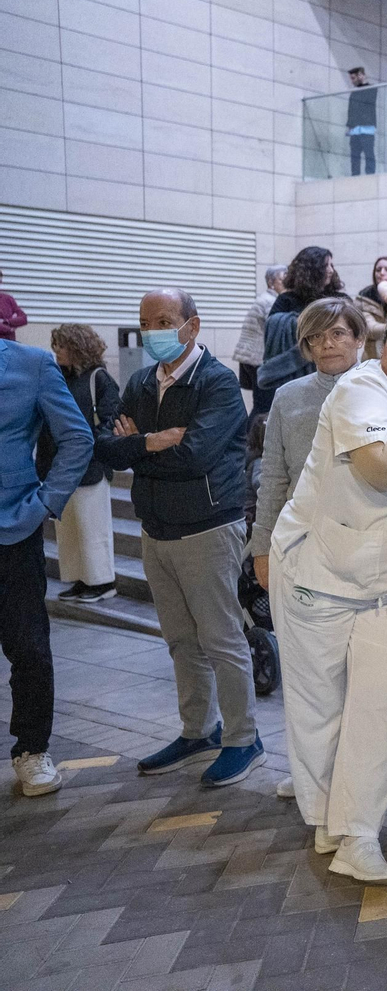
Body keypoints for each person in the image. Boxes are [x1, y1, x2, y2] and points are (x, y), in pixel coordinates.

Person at [269, 303, 387, 884]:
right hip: (315, 575)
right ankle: (327, 819)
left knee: (378, 711)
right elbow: (385, 467)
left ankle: (360, 835)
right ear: (380, 344)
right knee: (319, 710)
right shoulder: (360, 386)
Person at [98, 288, 262, 788]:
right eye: (145, 322)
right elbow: (107, 447)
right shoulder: (143, 381)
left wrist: (137, 444)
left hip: (208, 525)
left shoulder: (217, 383)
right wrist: (153, 440)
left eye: (164, 320)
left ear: (192, 325)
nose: (153, 331)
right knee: (180, 640)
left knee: (221, 638)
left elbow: (196, 457)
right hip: (157, 528)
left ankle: (243, 738)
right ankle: (198, 731)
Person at [245, 299, 387, 803]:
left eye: (336, 333)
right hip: (301, 539)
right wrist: (263, 548)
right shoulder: (289, 397)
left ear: (360, 337)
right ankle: (314, 768)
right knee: (310, 672)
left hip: (369, 538)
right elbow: (274, 478)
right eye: (315, 338)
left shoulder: (386, 386)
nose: (326, 345)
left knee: (372, 669)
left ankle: (379, 756)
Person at [1, 331, 92, 797]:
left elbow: (77, 437)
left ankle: (31, 750)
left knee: (29, 647)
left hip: (13, 529)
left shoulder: (31, 364)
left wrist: (45, 503)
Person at [41, 324, 122, 604]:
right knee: (69, 529)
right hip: (62, 466)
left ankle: (102, 581)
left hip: (91, 464)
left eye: (62, 346)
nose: (57, 352)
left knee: (92, 527)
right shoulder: (59, 378)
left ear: (77, 347)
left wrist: (97, 448)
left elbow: (112, 419)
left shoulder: (98, 378)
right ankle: (80, 578)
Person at [260, 247, 344, 414]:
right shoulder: (287, 299)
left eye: (332, 265)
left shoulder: (338, 299)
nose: (331, 270)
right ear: (312, 269)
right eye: (326, 265)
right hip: (296, 377)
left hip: (334, 373)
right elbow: (272, 327)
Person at [233, 265, 286, 402]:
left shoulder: (265, 299)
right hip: (258, 360)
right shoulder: (271, 301)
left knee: (261, 404)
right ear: (271, 282)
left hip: (251, 358)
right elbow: (277, 329)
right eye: (282, 280)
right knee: (263, 406)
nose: (286, 284)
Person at [346, 66, 378, 175]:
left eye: (354, 78)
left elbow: (365, 104)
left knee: (368, 153)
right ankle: (355, 175)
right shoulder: (354, 92)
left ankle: (370, 174)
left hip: (366, 127)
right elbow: (351, 110)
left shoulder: (371, 89)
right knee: (355, 156)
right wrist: (349, 126)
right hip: (355, 128)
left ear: (361, 75)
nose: (352, 81)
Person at [0, 266, 27, 341]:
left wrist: (6, 322)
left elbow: (23, 318)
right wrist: (10, 329)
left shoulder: (8, 299)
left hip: (10, 345)